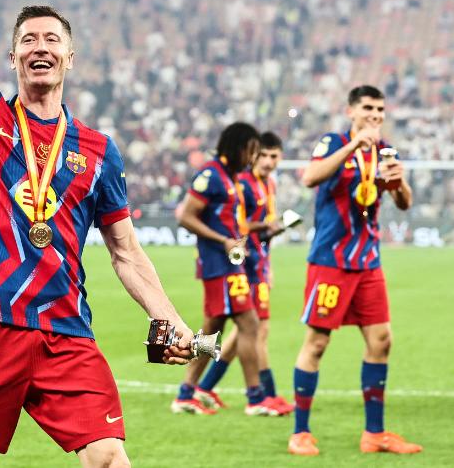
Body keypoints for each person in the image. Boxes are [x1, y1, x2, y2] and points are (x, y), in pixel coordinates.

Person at [0, 5, 194, 468]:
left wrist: (169, 318)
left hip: (64, 329)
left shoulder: (99, 150)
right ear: (12, 57)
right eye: (28, 40)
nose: (40, 47)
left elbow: (125, 251)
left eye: (51, 39)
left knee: (109, 457)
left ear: (69, 56)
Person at [288, 85, 422, 456]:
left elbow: (405, 203)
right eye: (368, 108)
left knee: (381, 341)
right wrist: (354, 146)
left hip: (367, 263)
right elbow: (310, 177)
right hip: (331, 262)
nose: (375, 114)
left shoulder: (386, 150)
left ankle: (374, 434)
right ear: (351, 111)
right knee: (317, 343)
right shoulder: (333, 142)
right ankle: (300, 432)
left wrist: (399, 180)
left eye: (380, 109)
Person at [171, 122, 282, 416]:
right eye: (251, 151)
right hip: (218, 266)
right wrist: (223, 241)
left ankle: (186, 392)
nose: (253, 157)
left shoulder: (231, 178)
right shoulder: (211, 175)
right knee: (249, 325)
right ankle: (256, 397)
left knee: (214, 330)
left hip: (231, 264)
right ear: (238, 147)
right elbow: (186, 216)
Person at [194, 131, 294, 414]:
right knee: (251, 328)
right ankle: (262, 394)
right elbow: (241, 224)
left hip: (255, 263)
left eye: (274, 156)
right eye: (263, 155)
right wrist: (265, 227)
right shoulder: (242, 183)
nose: (268, 161)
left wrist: (268, 265)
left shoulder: (267, 184)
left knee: (245, 329)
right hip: (239, 264)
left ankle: (201, 387)